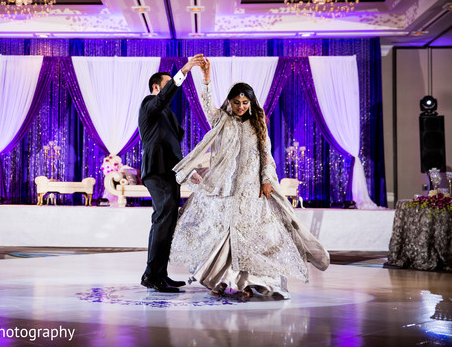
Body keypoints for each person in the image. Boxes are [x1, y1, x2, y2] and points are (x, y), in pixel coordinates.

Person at [169, 58, 330, 299]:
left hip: (253, 187)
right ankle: (230, 282)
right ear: (230, 102)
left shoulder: (258, 124)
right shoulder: (222, 119)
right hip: (229, 187)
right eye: (236, 102)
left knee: (254, 235)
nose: (241, 107)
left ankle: (254, 282)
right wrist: (205, 79)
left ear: (251, 102)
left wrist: (266, 180)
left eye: (245, 102)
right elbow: (206, 104)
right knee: (229, 234)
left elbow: (266, 155)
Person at [139, 54, 205, 293]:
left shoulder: (168, 114)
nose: (170, 90)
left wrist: (190, 171)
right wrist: (184, 70)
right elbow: (163, 98)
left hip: (171, 173)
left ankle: (159, 275)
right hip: (157, 172)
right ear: (156, 87)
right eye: (167, 85)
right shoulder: (149, 103)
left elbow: (173, 145)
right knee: (163, 220)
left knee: (167, 222)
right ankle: (151, 276)